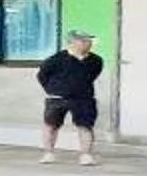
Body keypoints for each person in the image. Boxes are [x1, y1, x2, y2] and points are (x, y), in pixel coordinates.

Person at [35, 30, 105, 166]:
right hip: (57, 98)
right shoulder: (56, 60)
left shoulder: (96, 60)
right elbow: (42, 75)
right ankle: (48, 153)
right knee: (51, 125)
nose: (88, 44)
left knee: (85, 126)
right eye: (84, 41)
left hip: (84, 98)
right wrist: (53, 89)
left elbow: (93, 75)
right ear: (73, 42)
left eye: (89, 41)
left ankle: (86, 155)